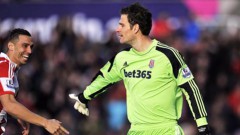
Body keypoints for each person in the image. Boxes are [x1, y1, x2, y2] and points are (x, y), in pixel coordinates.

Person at [69, 2, 210, 135]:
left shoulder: (168, 55)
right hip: (136, 130)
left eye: (122, 25)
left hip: (166, 130)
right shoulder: (122, 58)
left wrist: (202, 125)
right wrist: (84, 97)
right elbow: (103, 79)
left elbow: (191, 88)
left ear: (135, 28)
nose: (117, 29)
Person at [0, 28, 69, 135]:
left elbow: (7, 104)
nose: (29, 51)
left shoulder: (10, 69)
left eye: (31, 47)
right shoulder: (4, 66)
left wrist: (19, 115)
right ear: (11, 46)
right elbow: (9, 104)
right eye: (25, 46)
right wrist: (46, 123)